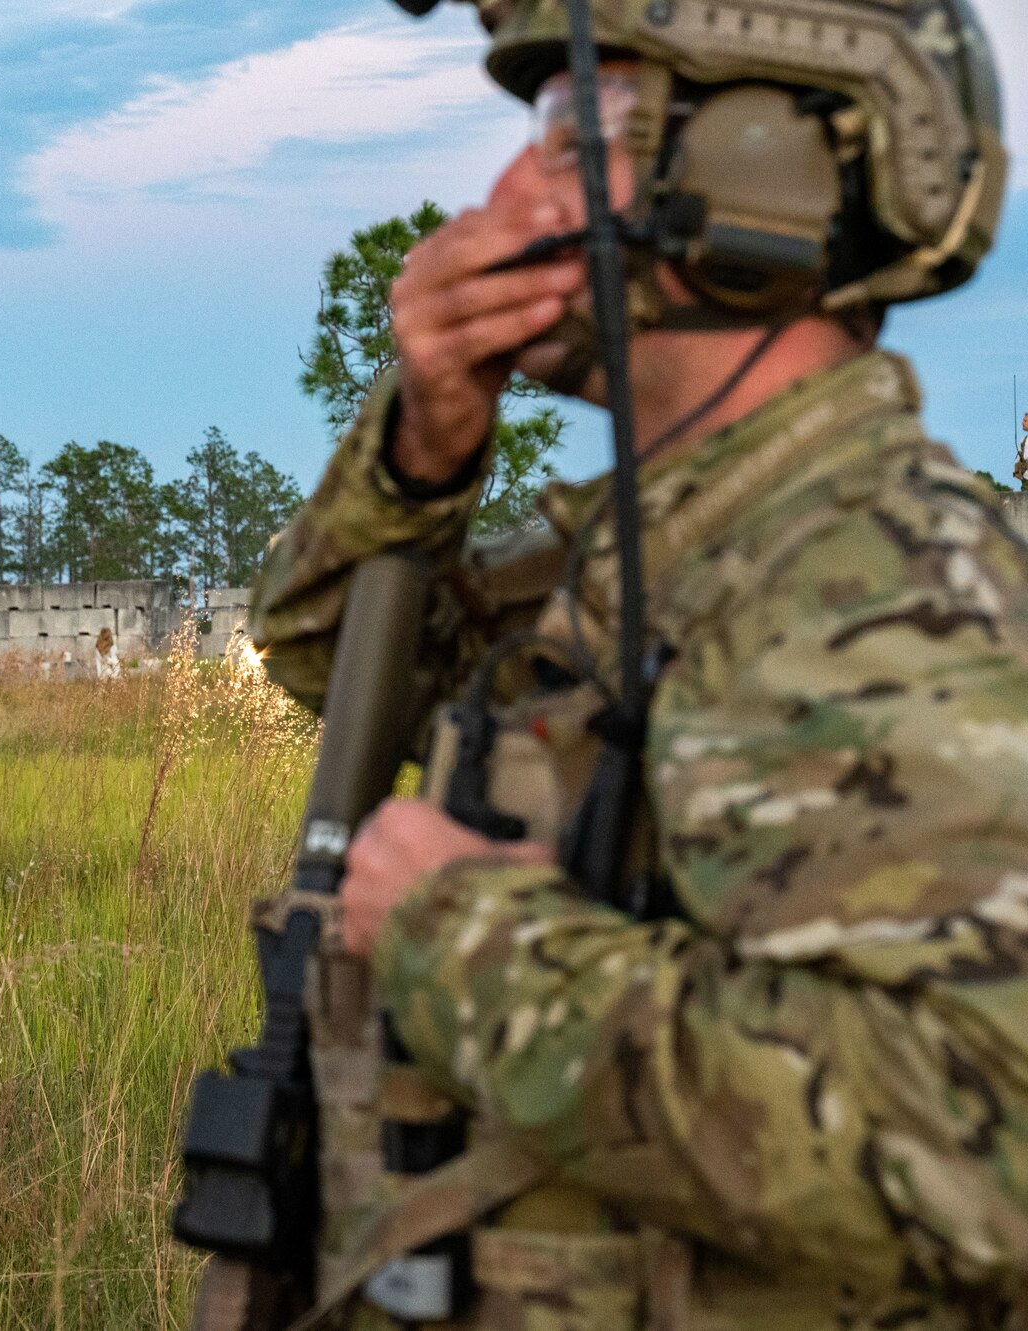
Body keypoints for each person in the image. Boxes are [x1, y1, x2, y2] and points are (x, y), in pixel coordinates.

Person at [249, 0, 1019, 1324]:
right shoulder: (663, 557)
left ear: (755, 164)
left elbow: (976, 1156)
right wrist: (425, 442)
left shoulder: (888, 586)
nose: (497, 193)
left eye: (568, 128)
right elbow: (335, 675)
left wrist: (455, 931)